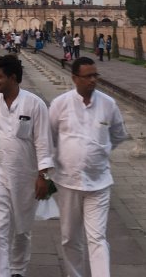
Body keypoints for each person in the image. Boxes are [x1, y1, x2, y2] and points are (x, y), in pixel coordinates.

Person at [49, 57, 127, 277]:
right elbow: (49, 137)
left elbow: (119, 135)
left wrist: (99, 151)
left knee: (97, 238)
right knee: (70, 237)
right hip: (68, 181)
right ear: (75, 78)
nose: (93, 80)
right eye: (88, 76)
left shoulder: (108, 104)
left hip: (99, 182)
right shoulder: (60, 104)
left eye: (95, 75)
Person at [0, 55, 54, 277]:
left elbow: (43, 142)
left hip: (25, 175)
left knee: (22, 228)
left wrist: (43, 176)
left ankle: (18, 268)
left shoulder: (34, 104)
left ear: (13, 77)